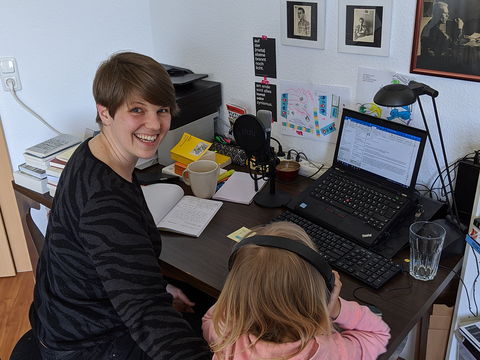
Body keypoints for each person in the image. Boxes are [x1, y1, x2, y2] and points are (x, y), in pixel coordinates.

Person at [29, 52, 212, 359]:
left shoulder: (93, 153)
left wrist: (159, 287)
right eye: (137, 110)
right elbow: (147, 317)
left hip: (65, 318)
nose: (154, 124)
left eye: (162, 110)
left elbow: (106, 259)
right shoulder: (105, 201)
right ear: (105, 113)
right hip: (87, 345)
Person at [202, 222, 391, 360]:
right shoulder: (330, 352)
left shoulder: (227, 339)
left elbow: (209, 319)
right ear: (323, 292)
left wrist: (241, 297)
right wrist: (336, 308)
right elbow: (379, 333)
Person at [421, 1, 464, 68]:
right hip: (435, 63)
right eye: (445, 13)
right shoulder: (436, 29)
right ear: (437, 14)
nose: (448, 15)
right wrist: (459, 28)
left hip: (433, 59)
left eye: (448, 13)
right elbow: (454, 45)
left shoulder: (431, 24)